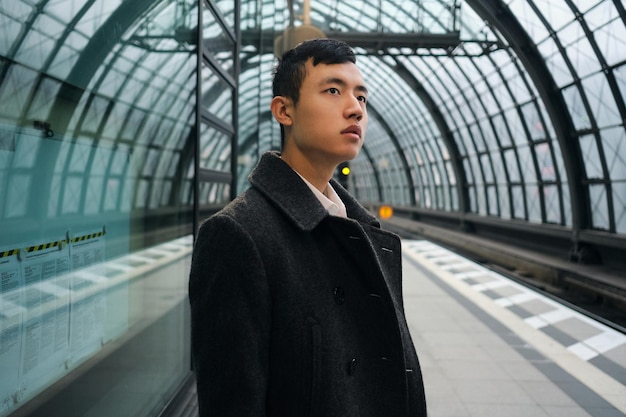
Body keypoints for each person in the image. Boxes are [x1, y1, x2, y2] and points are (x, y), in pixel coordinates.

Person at [189, 38, 427, 417]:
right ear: (284, 110)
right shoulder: (238, 235)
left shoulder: (361, 229)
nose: (355, 110)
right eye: (333, 90)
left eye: (361, 97)